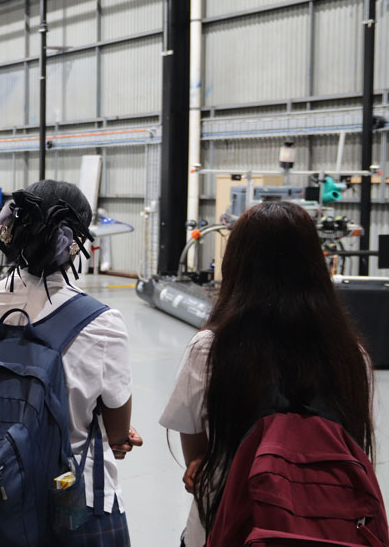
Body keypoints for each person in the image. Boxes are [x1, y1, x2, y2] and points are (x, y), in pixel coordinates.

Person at [159, 201, 375, 546]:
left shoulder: (211, 349)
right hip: (328, 530)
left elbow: (196, 451)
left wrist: (203, 463)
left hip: (227, 525)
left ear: (237, 264)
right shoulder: (352, 356)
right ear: (314, 266)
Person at [0, 180, 142, 545]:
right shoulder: (101, 322)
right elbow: (117, 429)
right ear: (75, 243)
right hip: (74, 504)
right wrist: (116, 437)